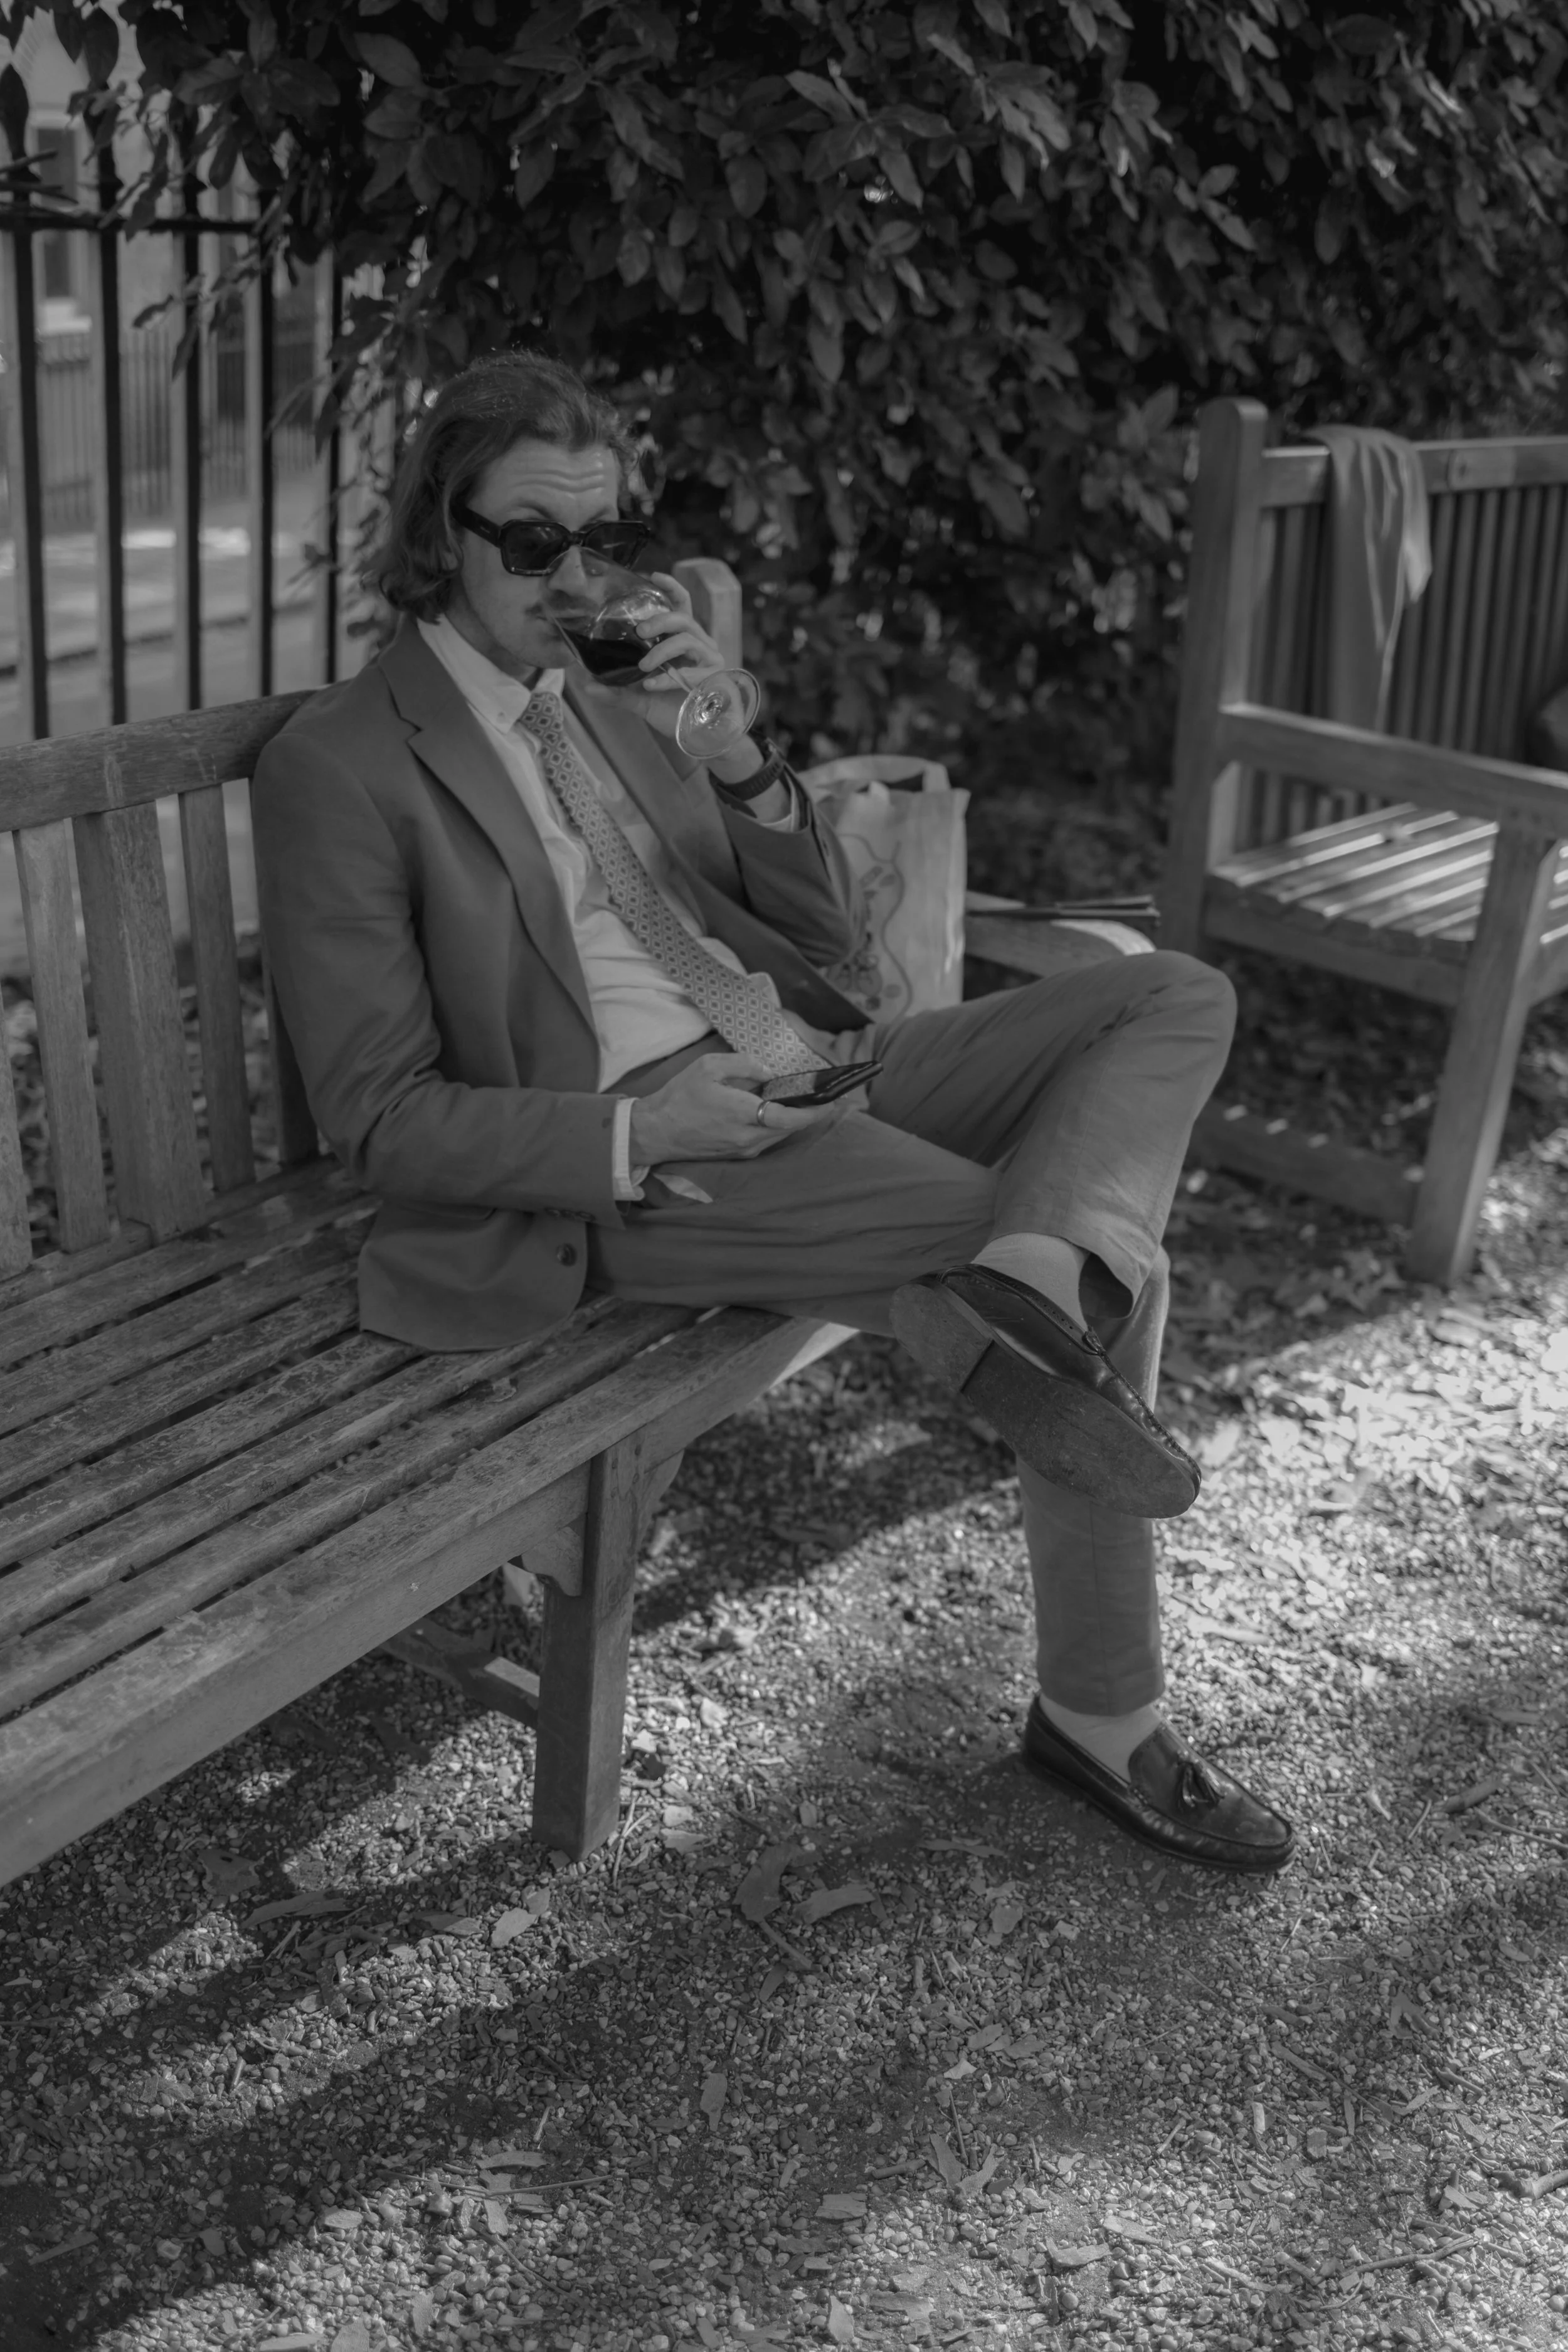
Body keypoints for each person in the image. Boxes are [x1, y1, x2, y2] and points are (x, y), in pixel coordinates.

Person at [252, 350, 1293, 1875]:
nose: (574, 576)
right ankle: (1104, 1715)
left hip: (806, 1063)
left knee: (1169, 995)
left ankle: (1025, 1291)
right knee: (1082, 1271)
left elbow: (825, 953)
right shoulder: (340, 765)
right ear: (440, 530)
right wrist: (641, 1134)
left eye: (599, 537)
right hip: (631, 1164)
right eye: (533, 543)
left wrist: (738, 762)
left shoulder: (611, 696)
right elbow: (380, 1118)